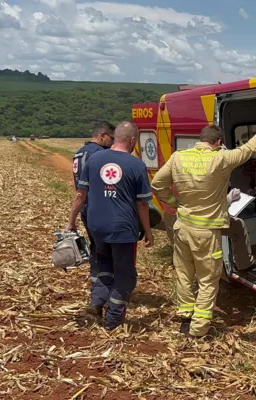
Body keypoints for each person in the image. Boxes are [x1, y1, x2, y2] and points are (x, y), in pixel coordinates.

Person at [150, 111, 256, 338]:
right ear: (218, 143)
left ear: (200, 139)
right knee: (208, 280)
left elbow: (157, 184)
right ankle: (198, 330)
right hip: (206, 232)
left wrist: (175, 203)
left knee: (185, 274)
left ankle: (186, 318)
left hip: (183, 226)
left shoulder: (178, 157)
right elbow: (249, 149)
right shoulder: (221, 159)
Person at [65, 121, 155, 331]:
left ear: (115, 138)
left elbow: (80, 194)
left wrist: (71, 221)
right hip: (123, 230)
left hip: (96, 227)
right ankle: (112, 322)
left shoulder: (94, 158)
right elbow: (142, 203)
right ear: (132, 140)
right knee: (126, 275)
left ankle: (95, 306)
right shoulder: (136, 165)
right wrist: (148, 231)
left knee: (103, 267)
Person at [71, 121, 115, 320]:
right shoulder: (98, 154)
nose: (112, 143)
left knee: (96, 249)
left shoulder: (79, 152)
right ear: (103, 135)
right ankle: (102, 294)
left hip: (86, 209)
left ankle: (97, 285)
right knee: (105, 252)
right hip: (98, 207)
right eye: (111, 138)